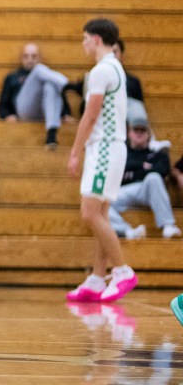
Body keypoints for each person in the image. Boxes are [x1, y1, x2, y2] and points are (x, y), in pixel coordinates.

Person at [66, 18, 137, 303]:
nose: (83, 43)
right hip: (111, 147)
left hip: (105, 148)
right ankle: (97, 278)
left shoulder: (100, 71)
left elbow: (90, 114)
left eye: (84, 38)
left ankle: (121, 271)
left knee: (90, 213)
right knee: (101, 214)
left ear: (96, 39)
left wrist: (75, 150)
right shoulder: (114, 67)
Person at [108, 113, 180, 240]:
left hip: (149, 190)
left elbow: (163, 170)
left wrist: (133, 171)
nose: (139, 133)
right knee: (101, 201)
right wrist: (143, 165)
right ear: (129, 133)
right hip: (125, 190)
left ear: (149, 134)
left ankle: (168, 226)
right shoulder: (122, 152)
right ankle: (127, 231)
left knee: (153, 177)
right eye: (136, 130)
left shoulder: (158, 153)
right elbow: (117, 169)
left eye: (143, 130)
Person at [0, 43, 71, 149]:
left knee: (50, 85)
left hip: (46, 112)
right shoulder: (13, 77)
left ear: (40, 57)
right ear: (21, 58)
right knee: (39, 70)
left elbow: (59, 96)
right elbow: (3, 102)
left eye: (34, 56)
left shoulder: (49, 76)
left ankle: (51, 133)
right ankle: (71, 86)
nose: (30, 60)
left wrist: (65, 113)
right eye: (26, 56)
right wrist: (7, 115)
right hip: (25, 111)